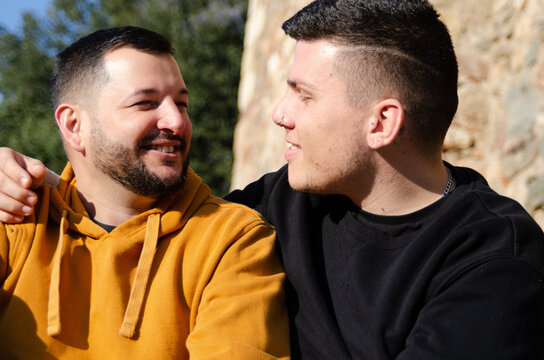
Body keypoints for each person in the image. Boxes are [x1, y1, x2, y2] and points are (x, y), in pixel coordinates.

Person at [1, 0, 544, 359]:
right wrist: (39, 183)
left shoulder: (495, 262)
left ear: (381, 122)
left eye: (304, 95)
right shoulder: (284, 202)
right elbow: (138, 212)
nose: (280, 113)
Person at [0, 26, 290, 359]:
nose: (176, 122)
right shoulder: (15, 214)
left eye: (181, 104)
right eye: (145, 103)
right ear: (74, 126)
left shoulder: (231, 239)